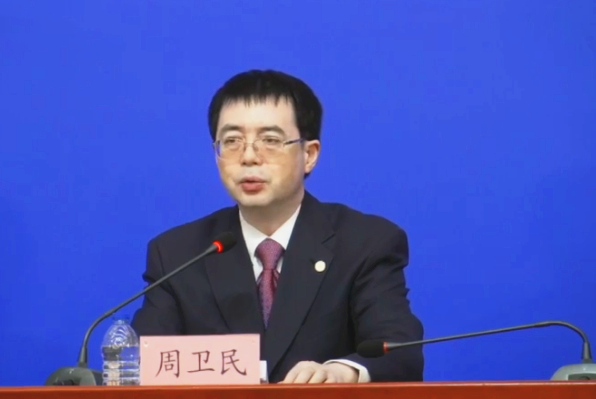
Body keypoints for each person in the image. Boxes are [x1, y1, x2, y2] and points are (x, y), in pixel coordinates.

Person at [130, 69, 424, 384]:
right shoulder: (178, 254)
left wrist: (342, 373)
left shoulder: (364, 243)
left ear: (309, 154)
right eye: (232, 141)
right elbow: (143, 365)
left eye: (270, 140)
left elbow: (399, 352)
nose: (248, 157)